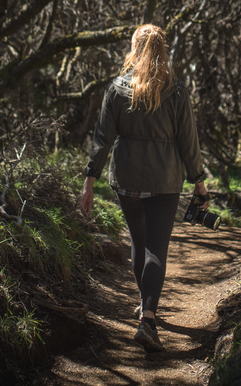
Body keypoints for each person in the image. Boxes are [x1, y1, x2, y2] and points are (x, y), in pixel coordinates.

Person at [80, 24, 208, 353]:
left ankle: (144, 304)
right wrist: (199, 182)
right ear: (162, 50)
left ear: (134, 49)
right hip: (164, 183)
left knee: (139, 244)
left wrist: (89, 181)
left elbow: (102, 139)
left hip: (127, 181)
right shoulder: (176, 91)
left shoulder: (117, 88)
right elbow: (188, 141)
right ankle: (148, 319)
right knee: (156, 249)